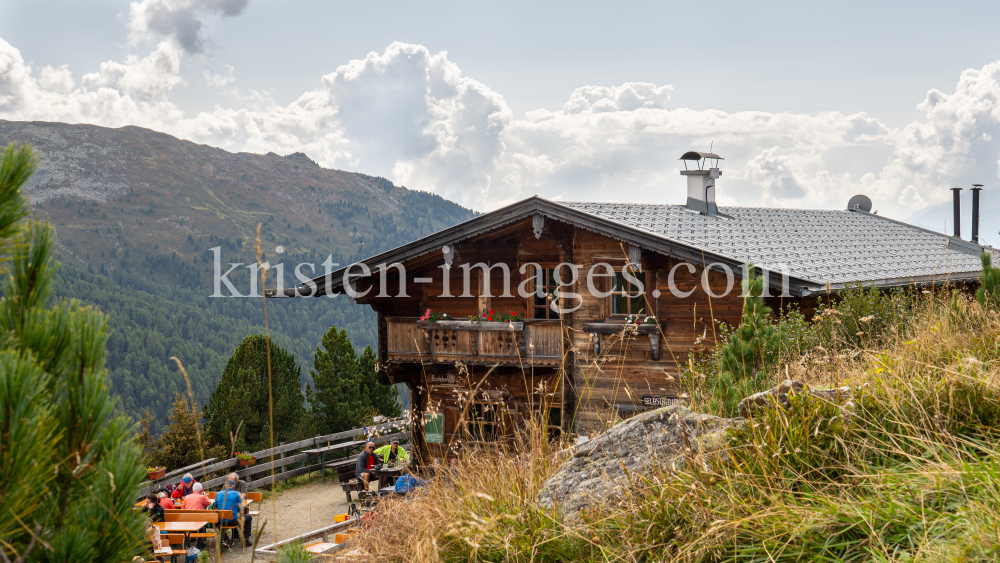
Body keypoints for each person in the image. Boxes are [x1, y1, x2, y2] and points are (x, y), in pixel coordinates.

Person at [216, 479, 252, 547]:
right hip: (232, 520)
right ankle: (246, 540)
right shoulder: (236, 494)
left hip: (221, 520)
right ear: (233, 487)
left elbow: (216, 505)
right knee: (248, 517)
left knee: (222, 521)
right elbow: (241, 507)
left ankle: (226, 539)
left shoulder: (218, 494)